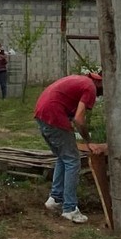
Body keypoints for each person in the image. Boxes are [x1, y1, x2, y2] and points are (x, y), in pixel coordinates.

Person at [33, 70, 103, 224]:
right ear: (100, 81)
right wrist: (88, 141)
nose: (102, 95)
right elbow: (79, 119)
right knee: (73, 160)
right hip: (53, 115)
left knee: (63, 157)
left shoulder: (81, 80)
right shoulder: (90, 87)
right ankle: (70, 209)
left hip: (42, 114)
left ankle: (56, 199)